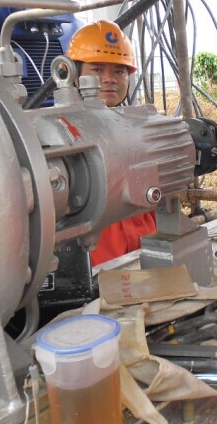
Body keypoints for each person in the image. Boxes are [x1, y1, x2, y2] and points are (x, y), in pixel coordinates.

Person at [66, 20, 156, 267]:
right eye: (97, 69)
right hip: (99, 255)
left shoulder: (140, 124)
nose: (109, 79)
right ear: (73, 73)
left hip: (149, 245)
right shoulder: (61, 131)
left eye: (119, 71)